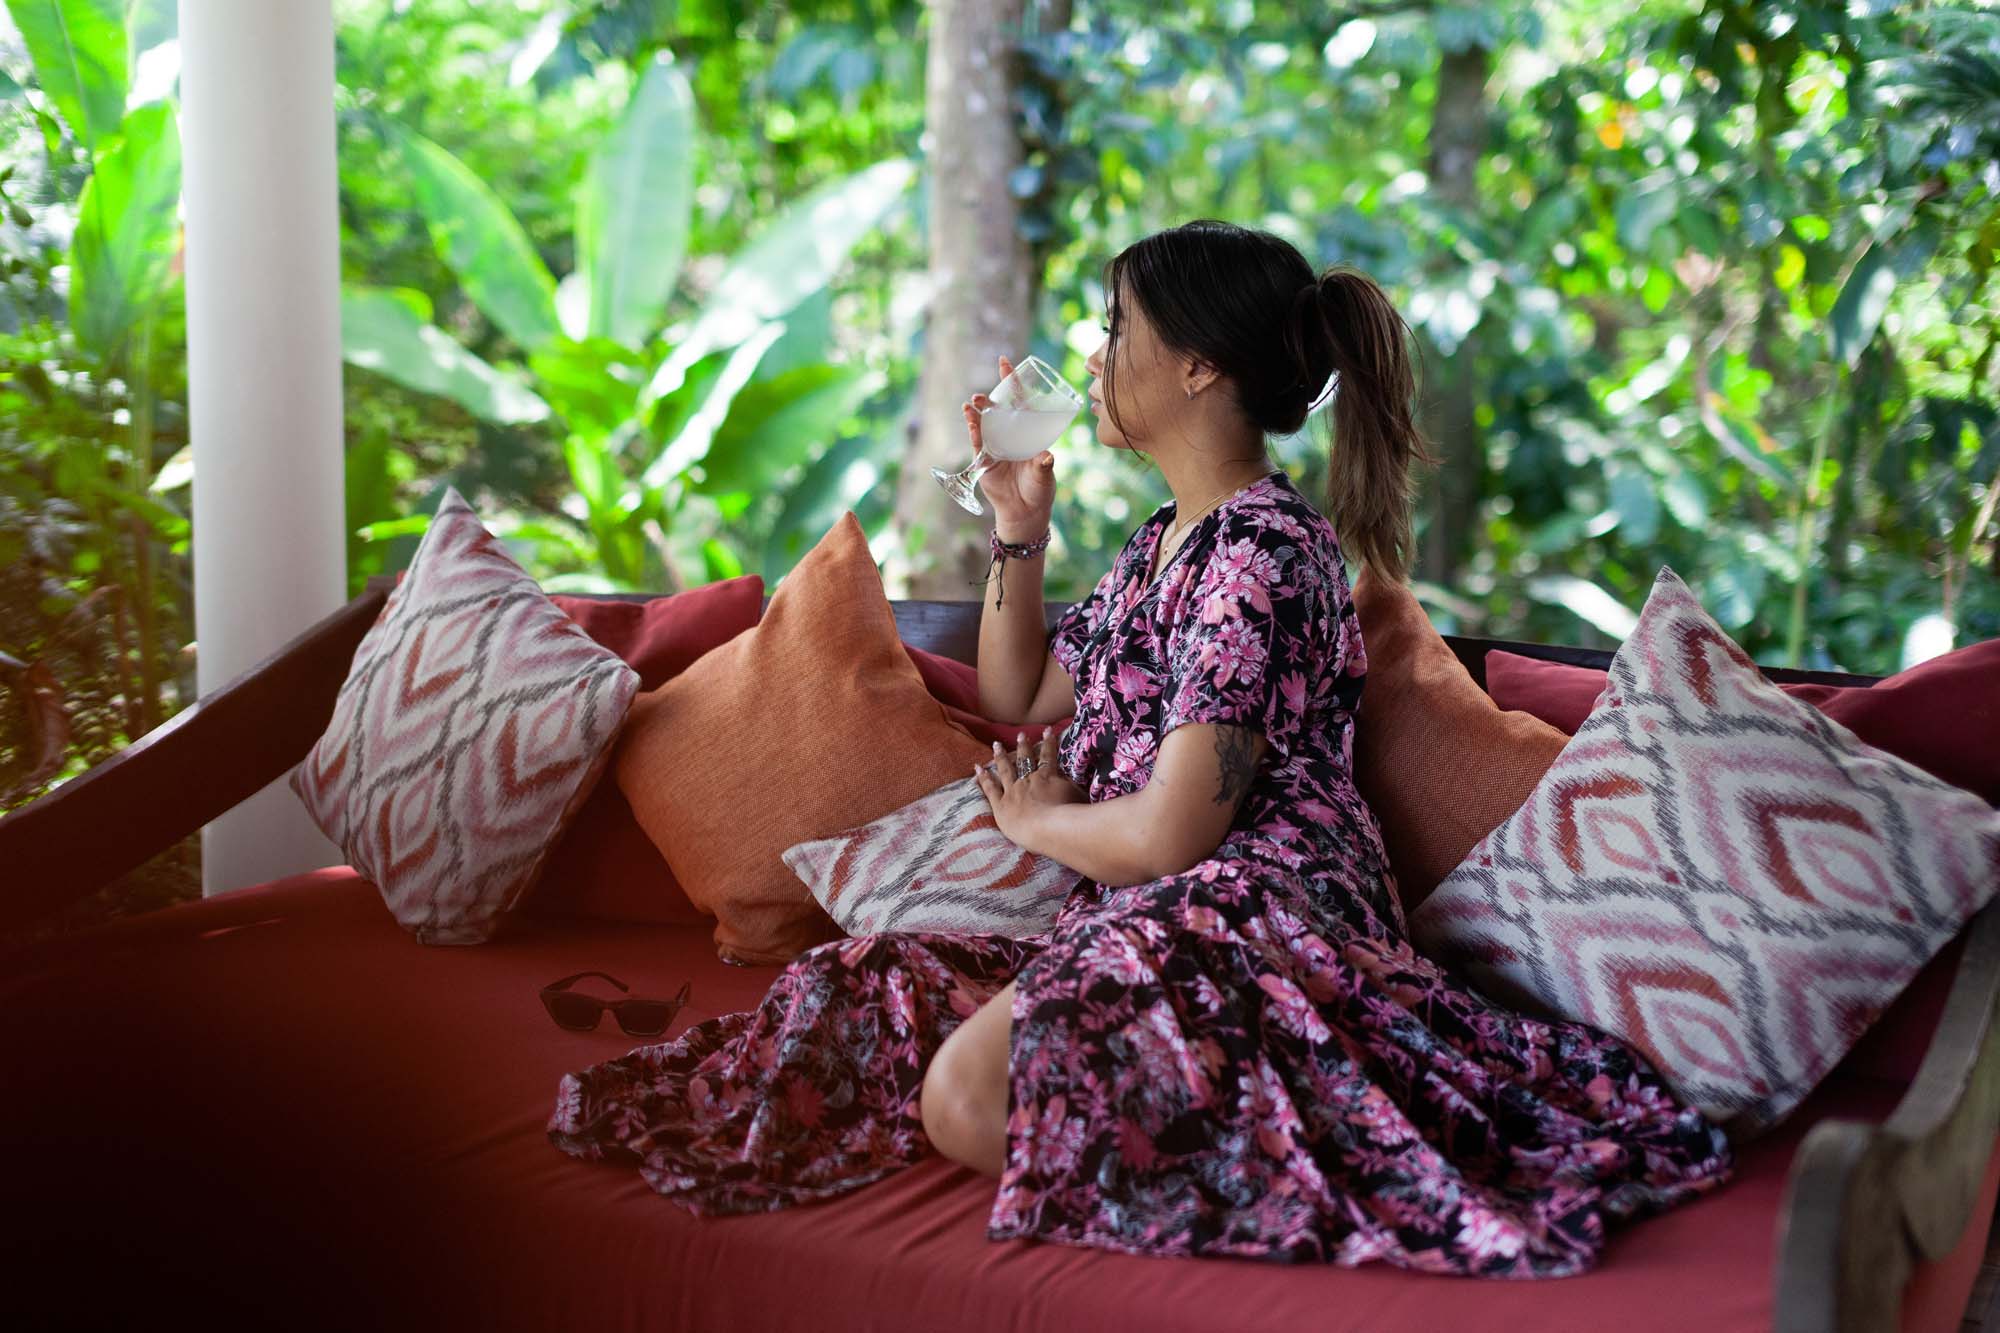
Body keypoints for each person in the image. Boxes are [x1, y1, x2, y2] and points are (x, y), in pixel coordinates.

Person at [547, 219, 1733, 1276]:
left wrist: (1034, 821)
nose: (1095, 352)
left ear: (1198, 364)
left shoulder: (1262, 553)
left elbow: (1174, 832)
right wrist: (1019, 526)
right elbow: (1019, 688)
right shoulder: (1163, 537)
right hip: (1140, 903)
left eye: (1116, 326)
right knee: (867, 989)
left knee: (965, 1099)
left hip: (1251, 907)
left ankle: (1273, 1173)